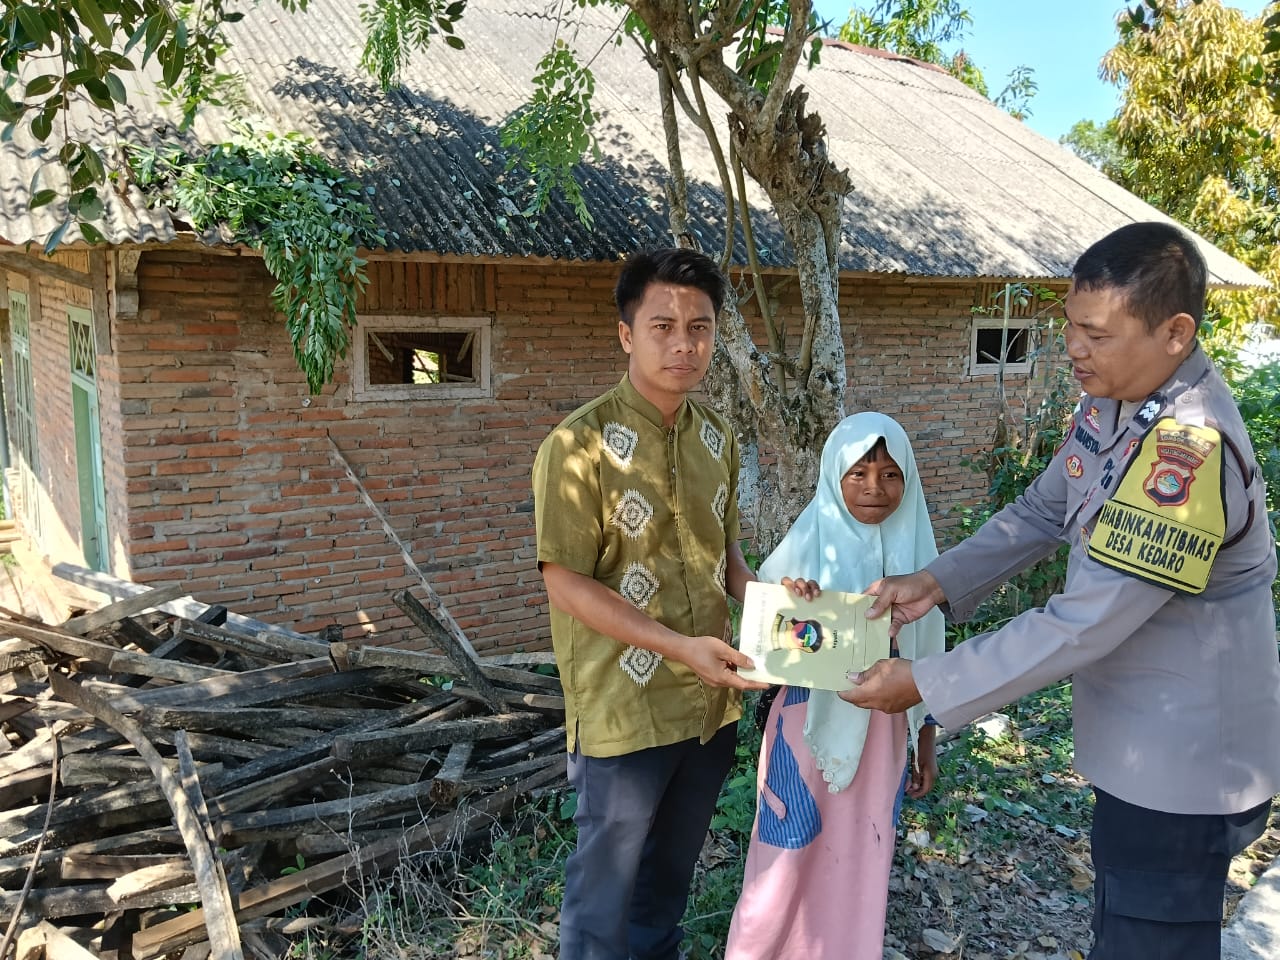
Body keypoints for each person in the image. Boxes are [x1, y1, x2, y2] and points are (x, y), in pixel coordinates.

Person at [844, 222, 1280, 960]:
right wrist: (938, 580)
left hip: (1185, 760)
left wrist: (926, 681)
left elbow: (1088, 621)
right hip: (1140, 744)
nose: (1075, 349)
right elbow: (1045, 510)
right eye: (1071, 327)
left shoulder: (1187, 450)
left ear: (1176, 333)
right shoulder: (1116, 403)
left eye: (1097, 335)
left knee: (1151, 942)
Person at [531, 247, 767, 960]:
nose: (683, 343)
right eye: (662, 324)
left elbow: (723, 557)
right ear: (627, 333)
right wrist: (677, 647)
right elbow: (564, 581)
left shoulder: (717, 436)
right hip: (625, 711)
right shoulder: (579, 445)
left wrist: (776, 614)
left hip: (708, 704)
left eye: (699, 326)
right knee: (603, 897)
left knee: (666, 884)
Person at [724, 413, 945, 960]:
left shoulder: (921, 557)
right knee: (784, 855)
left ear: (909, 480)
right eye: (858, 474)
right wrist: (793, 599)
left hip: (887, 732)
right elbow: (763, 645)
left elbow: (930, 654)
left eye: (891, 474)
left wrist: (926, 741)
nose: (875, 488)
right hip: (806, 728)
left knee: (863, 857)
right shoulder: (804, 552)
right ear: (832, 477)